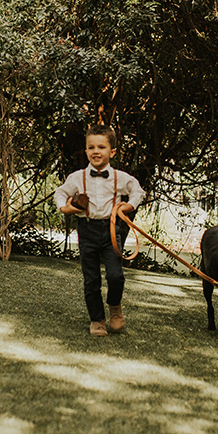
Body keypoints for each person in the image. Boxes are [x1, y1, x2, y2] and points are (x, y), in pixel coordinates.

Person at [54, 125, 145, 336]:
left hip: (111, 229)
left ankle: (115, 307)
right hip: (87, 230)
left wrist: (127, 206)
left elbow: (137, 191)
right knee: (91, 278)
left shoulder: (120, 178)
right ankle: (97, 320)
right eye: (91, 147)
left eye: (101, 147)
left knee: (116, 276)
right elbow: (61, 193)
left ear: (112, 151)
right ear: (85, 151)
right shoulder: (77, 177)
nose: (96, 151)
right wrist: (65, 207)